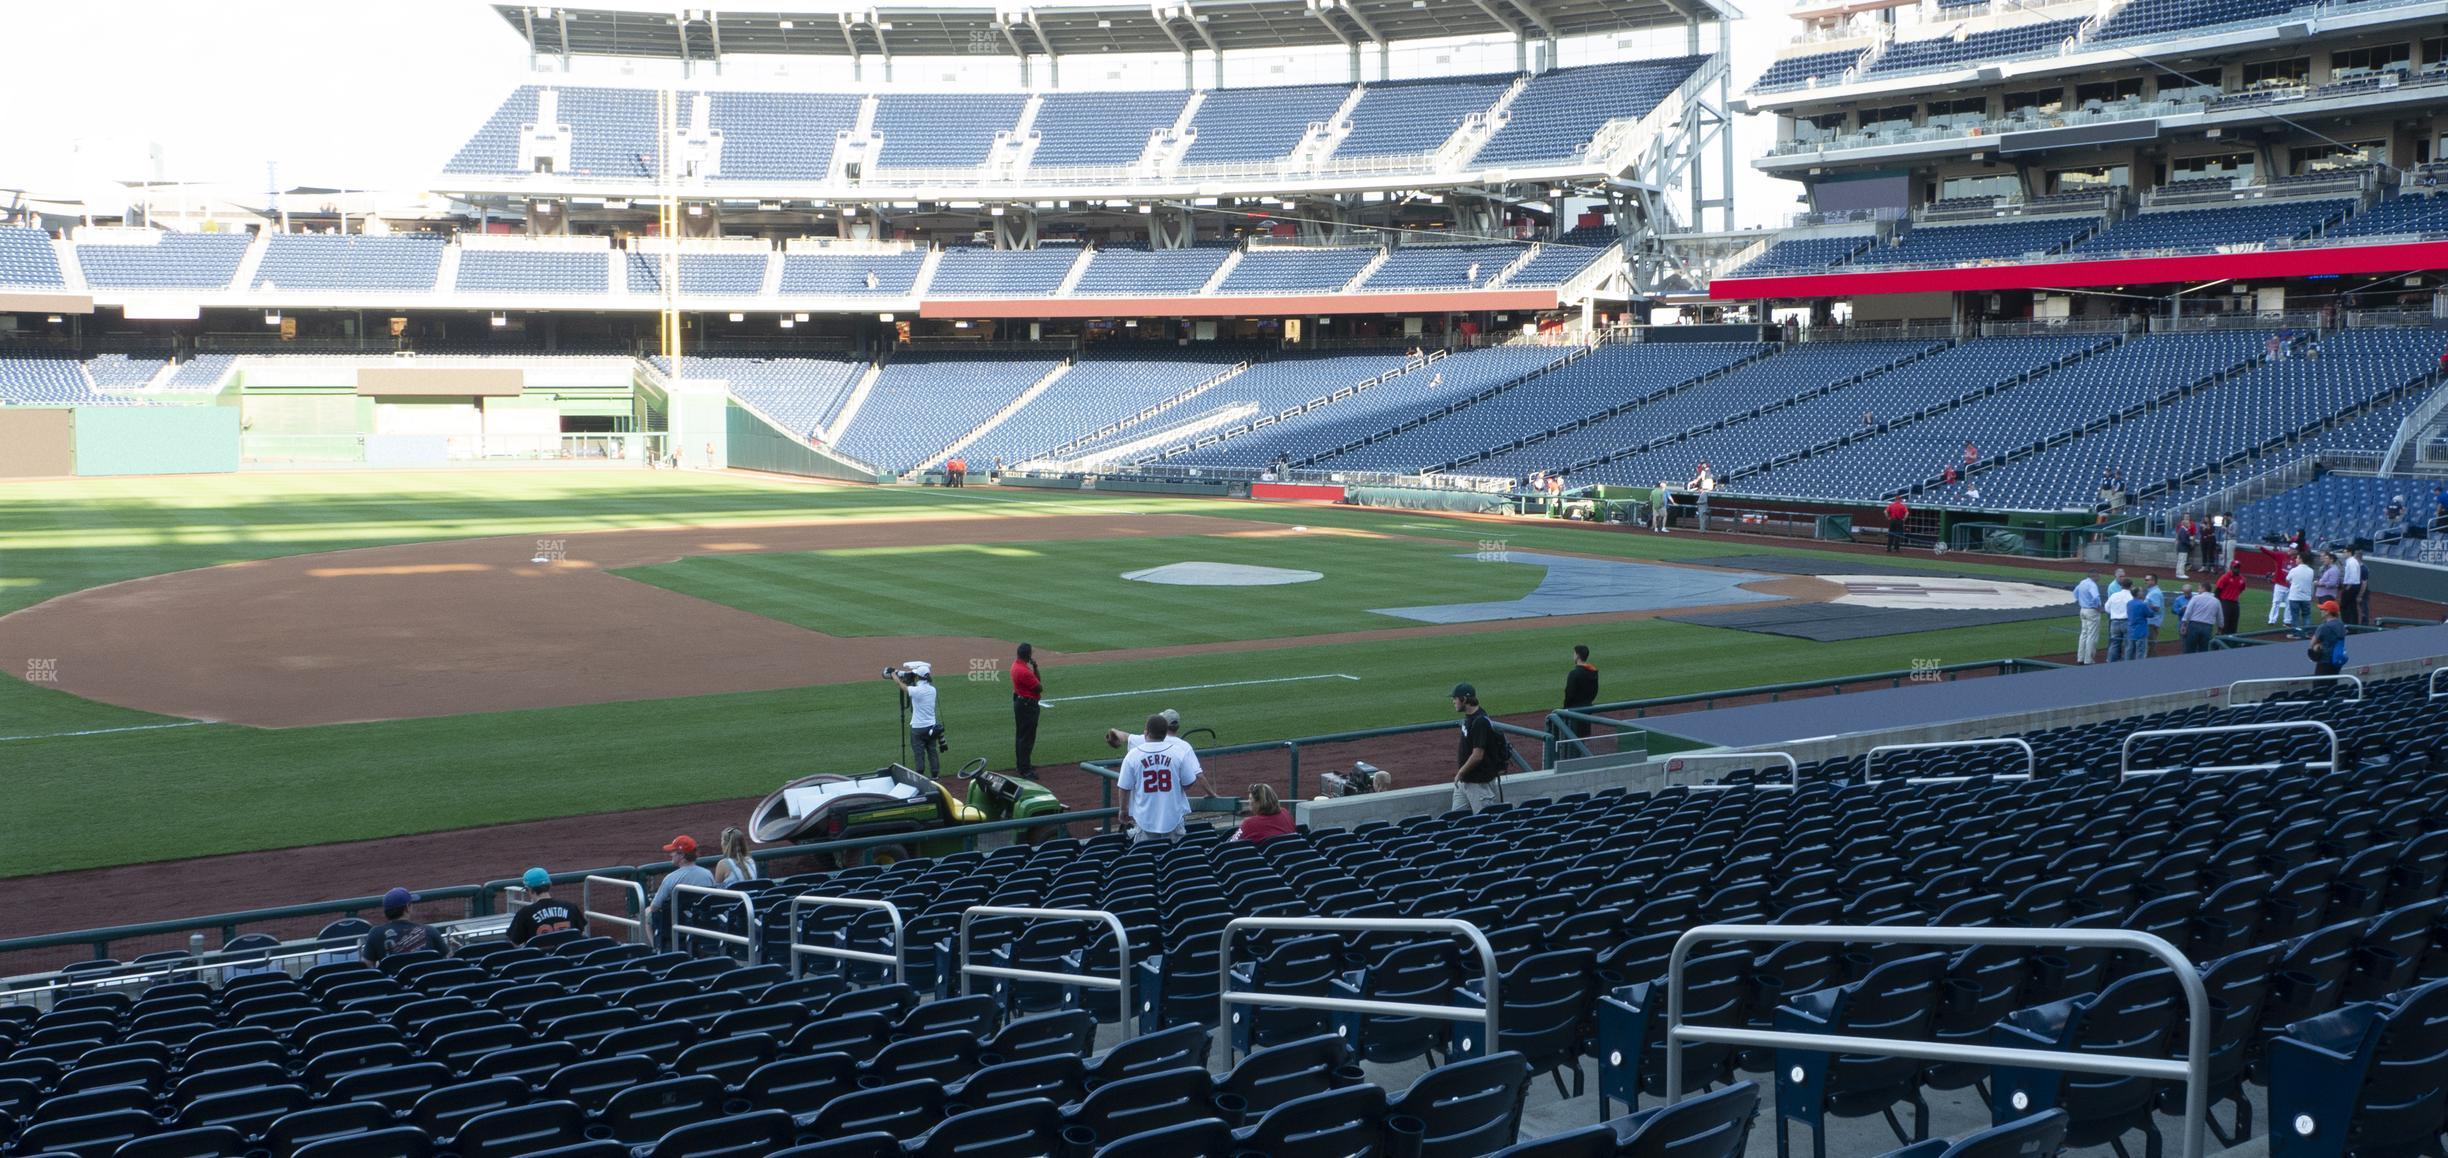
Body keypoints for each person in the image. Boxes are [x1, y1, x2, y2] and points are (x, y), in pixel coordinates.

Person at [1114, 712, 1213, 843]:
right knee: (1174, 857)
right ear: (1165, 733)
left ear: (1146, 733)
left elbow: (1124, 787)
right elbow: (1189, 782)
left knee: (1146, 858)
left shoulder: (1133, 755)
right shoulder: (1178, 752)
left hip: (1145, 819)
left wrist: (1123, 810)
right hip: (1174, 817)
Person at [649, 835, 715, 950]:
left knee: (647, 914)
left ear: (682, 855)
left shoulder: (671, 878)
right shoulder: (707, 874)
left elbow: (654, 907)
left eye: (673, 852)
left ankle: (656, 950)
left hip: (674, 925)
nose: (671, 854)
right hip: (701, 923)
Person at [1450, 682, 1507, 813]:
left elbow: (1477, 755)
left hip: (1478, 783)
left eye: (1455, 698)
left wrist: (1460, 772)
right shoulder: (1470, 717)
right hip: (1465, 783)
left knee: (1484, 822)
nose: (1453, 701)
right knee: (1455, 822)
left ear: (1464, 699)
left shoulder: (1480, 721)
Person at [506, 868, 587, 946]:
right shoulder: (570, 907)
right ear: (550, 885)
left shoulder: (524, 913)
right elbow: (581, 934)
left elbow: (514, 943)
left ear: (529, 889)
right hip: (568, 957)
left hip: (540, 959)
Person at [888, 662, 942, 776]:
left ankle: (920, 776)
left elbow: (901, 686)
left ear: (918, 676)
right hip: (932, 727)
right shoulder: (933, 690)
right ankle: (935, 776)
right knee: (932, 751)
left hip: (918, 728)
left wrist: (893, 675)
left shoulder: (916, 690)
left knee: (919, 754)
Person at [362, 887, 442, 964]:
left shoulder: (375, 934)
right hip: (425, 977)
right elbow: (447, 960)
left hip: (393, 978)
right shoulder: (430, 931)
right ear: (407, 907)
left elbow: (367, 965)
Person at [1010, 642, 1042, 777]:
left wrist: (1033, 666)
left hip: (1021, 703)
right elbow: (1039, 687)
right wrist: (1035, 667)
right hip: (1028, 706)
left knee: (1021, 737)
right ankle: (1025, 769)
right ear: (1028, 655)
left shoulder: (1016, 666)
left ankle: (1022, 764)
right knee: (1027, 738)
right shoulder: (1024, 671)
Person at [1561, 645, 1599, 747]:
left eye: (1574, 653)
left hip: (1574, 711)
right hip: (1587, 708)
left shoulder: (1574, 673)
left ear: (1577, 656)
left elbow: (1569, 694)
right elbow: (1595, 692)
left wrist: (1565, 708)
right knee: (1583, 739)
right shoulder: (1593, 672)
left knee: (1571, 741)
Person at [2310, 599, 2349, 675]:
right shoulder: (2341, 625)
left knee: (2319, 685)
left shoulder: (2324, 627)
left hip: (2324, 661)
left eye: (2322, 609)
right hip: (2337, 660)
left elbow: (2312, 644)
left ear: (2328, 612)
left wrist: (2317, 645)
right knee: (2333, 684)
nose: (2321, 611)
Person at [2180, 581, 2221, 654]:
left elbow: (2188, 612)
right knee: (2203, 650)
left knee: (2189, 650)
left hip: (2194, 626)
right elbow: (2220, 617)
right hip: (2207, 628)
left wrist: (2184, 624)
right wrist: (2219, 629)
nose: (2198, 590)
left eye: (2199, 588)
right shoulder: (2216, 601)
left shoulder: (2195, 598)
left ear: (2203, 588)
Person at [2073, 572, 2104, 664]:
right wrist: (2098, 607)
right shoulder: (2092, 585)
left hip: (2082, 610)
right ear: (2094, 576)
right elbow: (2096, 598)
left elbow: (2075, 592)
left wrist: (2081, 601)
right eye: (2099, 575)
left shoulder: (2082, 582)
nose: (2100, 577)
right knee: (2092, 636)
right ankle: (2088, 660)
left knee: (2083, 634)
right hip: (2092, 611)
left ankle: (2080, 658)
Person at [2286, 554, 2316, 637]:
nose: (2296, 559)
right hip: (2306, 597)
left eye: (2297, 558)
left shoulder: (2294, 570)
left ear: (2301, 559)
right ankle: (2307, 633)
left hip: (2295, 596)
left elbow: (2287, 579)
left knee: (2295, 616)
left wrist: (2293, 582)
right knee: (2306, 615)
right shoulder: (2311, 571)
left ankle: (2297, 633)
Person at [2105, 578, 2134, 662]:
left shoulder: (2114, 595)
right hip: (2126, 622)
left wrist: (2114, 613)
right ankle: (2127, 664)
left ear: (2121, 586)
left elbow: (2107, 608)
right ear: (2131, 586)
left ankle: (2111, 663)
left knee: (2114, 644)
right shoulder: (2131, 596)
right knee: (2128, 645)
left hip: (2114, 622)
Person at [2214, 561, 2247, 636]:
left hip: (2235, 603)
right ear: (2231, 568)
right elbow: (2217, 591)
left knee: (2234, 624)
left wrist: (2234, 596)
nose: (2237, 569)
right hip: (2225, 602)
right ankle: (2220, 642)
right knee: (2224, 624)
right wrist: (2219, 603)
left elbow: (2241, 589)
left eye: (2238, 567)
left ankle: (2231, 642)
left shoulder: (2242, 579)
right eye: (2235, 567)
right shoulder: (2225, 577)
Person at [2126, 584, 2157, 659]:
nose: (2143, 593)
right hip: (2141, 631)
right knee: (2141, 653)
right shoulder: (2142, 604)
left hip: (2131, 631)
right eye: (2141, 592)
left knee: (2130, 652)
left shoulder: (2129, 603)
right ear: (2138, 594)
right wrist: (2151, 607)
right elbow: (2150, 614)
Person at [2340, 547, 2366, 626]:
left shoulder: (2351, 562)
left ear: (2349, 553)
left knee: (2344, 606)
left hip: (2351, 586)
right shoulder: (2352, 561)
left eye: (2345, 552)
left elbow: (2353, 575)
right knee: (2352, 606)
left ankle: (2347, 624)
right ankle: (2353, 625)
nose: (2343, 554)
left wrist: (2348, 586)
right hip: (2353, 586)